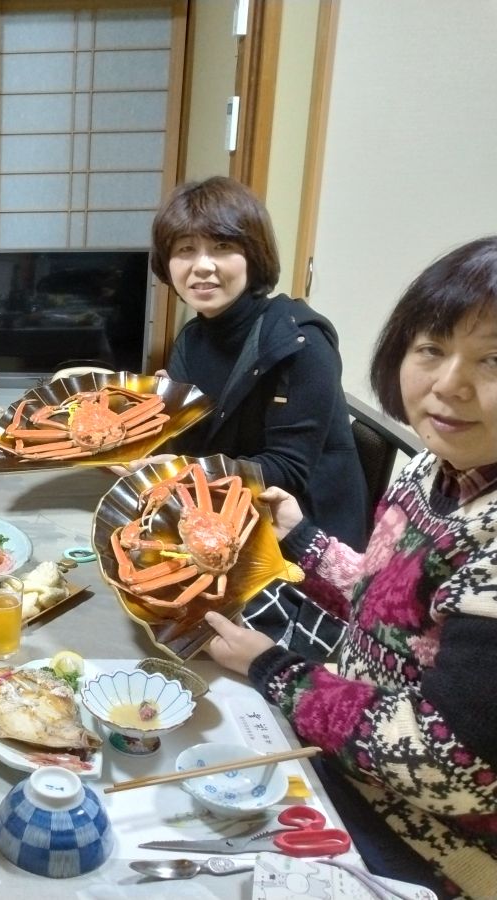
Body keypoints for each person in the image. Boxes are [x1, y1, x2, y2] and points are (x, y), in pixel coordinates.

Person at [204, 235, 497, 898]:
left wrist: (273, 670)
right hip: (342, 757)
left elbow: (449, 763)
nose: (449, 384)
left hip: (426, 845)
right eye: (432, 348)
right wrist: (302, 539)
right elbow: (387, 605)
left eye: (492, 360)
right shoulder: (438, 466)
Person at [149, 176, 368, 551]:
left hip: (304, 538)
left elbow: (287, 471)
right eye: (185, 249)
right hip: (221, 513)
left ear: (254, 255)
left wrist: (176, 472)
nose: (202, 266)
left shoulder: (300, 341)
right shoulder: (193, 337)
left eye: (222, 247)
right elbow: (192, 437)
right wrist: (147, 438)